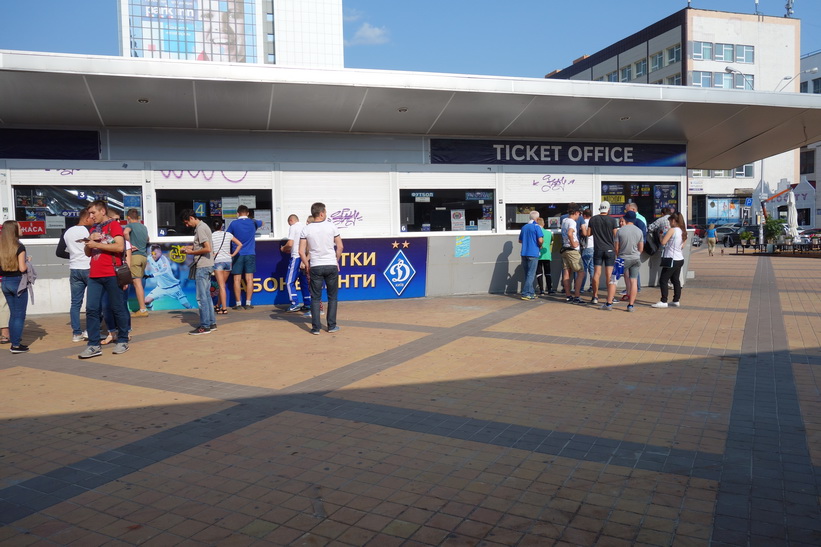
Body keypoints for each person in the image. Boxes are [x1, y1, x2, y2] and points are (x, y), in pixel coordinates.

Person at [79, 201, 130, 359]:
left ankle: (122, 339)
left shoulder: (114, 226)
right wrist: (89, 242)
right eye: (89, 213)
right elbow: (88, 253)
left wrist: (97, 244)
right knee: (92, 309)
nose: (91, 216)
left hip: (111, 273)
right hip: (94, 274)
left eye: (93, 213)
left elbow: (120, 247)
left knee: (117, 307)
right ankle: (94, 344)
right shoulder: (94, 228)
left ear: (102, 211)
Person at [299, 202, 343, 335]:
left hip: (316, 265)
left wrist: (307, 265)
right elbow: (340, 246)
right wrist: (336, 261)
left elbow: (301, 251)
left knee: (315, 297)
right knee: (332, 297)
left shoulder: (306, 229)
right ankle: (331, 326)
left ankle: (316, 328)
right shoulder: (332, 226)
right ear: (322, 213)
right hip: (330, 264)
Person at [181, 209, 215, 335]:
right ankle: (211, 323)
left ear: (191, 218)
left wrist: (191, 252)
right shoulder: (203, 226)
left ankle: (205, 326)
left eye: (186, 222)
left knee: (202, 298)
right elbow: (203, 246)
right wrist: (190, 248)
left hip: (203, 266)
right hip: (207, 265)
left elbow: (207, 248)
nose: (186, 225)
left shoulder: (200, 228)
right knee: (206, 296)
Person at [62, 207, 92, 342]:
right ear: (86, 218)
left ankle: (76, 333)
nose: (94, 219)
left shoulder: (68, 232)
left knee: (75, 303)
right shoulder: (89, 231)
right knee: (94, 302)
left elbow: (61, 251)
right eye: (92, 217)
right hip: (89, 267)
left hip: (74, 268)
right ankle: (89, 330)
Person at [0, 220, 30, 353]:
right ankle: (16, 345)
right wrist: (27, 261)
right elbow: (22, 268)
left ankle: (14, 341)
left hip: (5, 281)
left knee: (13, 313)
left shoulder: (1, 247)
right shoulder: (19, 247)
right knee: (19, 315)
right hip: (17, 281)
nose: (22, 229)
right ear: (14, 231)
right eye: (19, 227)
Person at [226, 204, 263, 310]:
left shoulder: (233, 224)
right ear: (248, 213)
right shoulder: (253, 222)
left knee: (237, 279)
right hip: (250, 253)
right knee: (249, 279)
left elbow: (227, 236)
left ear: (237, 213)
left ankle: (238, 304)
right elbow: (263, 222)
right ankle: (248, 303)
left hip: (237, 254)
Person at [588, 201, 619, 309]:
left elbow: (588, 233)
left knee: (596, 273)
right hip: (610, 249)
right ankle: (609, 297)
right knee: (609, 275)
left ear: (599, 209)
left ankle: (595, 296)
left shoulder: (593, 219)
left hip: (598, 249)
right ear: (608, 209)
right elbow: (616, 235)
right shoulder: (612, 220)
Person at [652, 212, 688, 308]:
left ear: (673, 220)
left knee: (663, 279)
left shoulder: (672, 230)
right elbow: (682, 246)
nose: (669, 223)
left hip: (671, 258)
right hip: (679, 258)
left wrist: (660, 236)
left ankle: (664, 301)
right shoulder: (683, 231)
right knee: (675, 280)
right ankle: (676, 300)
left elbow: (663, 242)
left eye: (670, 221)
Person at [145, 245, 193, 310]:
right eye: (152, 253)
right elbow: (143, 259)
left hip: (173, 286)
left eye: (155, 253)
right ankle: (152, 313)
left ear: (160, 252)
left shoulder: (163, 259)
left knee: (186, 304)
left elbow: (164, 270)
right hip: (161, 287)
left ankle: (194, 313)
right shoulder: (150, 258)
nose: (154, 255)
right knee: (147, 301)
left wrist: (152, 275)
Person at [282, 214, 312, 312]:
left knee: (289, 281)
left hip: (296, 257)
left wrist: (283, 248)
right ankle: (307, 303)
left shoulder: (293, 227)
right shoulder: (305, 227)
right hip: (305, 257)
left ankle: (294, 303)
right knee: (304, 281)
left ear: (291, 220)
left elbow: (290, 244)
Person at [211, 219, 241, 314]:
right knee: (222, 285)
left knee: (221, 286)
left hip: (218, 261)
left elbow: (209, 249)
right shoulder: (228, 234)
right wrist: (233, 254)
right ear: (221, 226)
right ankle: (217, 305)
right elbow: (240, 244)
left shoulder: (211, 236)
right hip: (228, 261)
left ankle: (224, 308)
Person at [124, 208, 150, 317]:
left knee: (136, 283)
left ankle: (143, 310)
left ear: (128, 218)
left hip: (134, 256)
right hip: (144, 257)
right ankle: (142, 308)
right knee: (138, 282)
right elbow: (148, 239)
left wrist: (129, 244)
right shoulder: (143, 227)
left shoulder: (129, 226)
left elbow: (125, 233)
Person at [617, 211, 644, 312]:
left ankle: (609, 303)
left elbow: (616, 247)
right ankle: (631, 305)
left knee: (614, 280)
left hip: (622, 257)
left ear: (626, 219)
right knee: (634, 281)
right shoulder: (639, 231)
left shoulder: (620, 231)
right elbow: (641, 248)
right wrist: (637, 254)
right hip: (635, 258)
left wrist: (619, 255)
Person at [560, 207, 584, 304]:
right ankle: (577, 296)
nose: (579, 216)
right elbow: (570, 233)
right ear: (576, 213)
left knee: (566, 273)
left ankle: (568, 295)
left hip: (564, 249)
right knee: (581, 272)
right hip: (572, 250)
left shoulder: (564, 220)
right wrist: (573, 243)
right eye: (579, 214)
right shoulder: (572, 222)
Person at [518, 210, 543, 301]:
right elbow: (540, 240)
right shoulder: (536, 227)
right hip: (533, 252)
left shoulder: (524, 227)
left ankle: (531, 292)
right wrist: (540, 245)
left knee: (528, 274)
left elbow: (520, 240)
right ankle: (525, 293)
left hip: (524, 252)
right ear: (537, 218)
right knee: (531, 274)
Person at [535, 217, 554, 295]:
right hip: (547, 255)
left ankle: (541, 290)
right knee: (548, 272)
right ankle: (549, 289)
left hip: (538, 254)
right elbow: (551, 242)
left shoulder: (536, 232)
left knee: (539, 273)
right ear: (544, 224)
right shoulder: (549, 233)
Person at [580, 208, 594, 292]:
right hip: (594, 246)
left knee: (584, 268)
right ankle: (593, 286)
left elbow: (584, 234)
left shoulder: (584, 222)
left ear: (584, 215)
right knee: (592, 268)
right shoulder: (594, 222)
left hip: (586, 246)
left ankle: (581, 287)